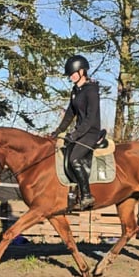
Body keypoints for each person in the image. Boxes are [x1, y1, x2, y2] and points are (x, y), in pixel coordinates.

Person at [49, 54, 101, 210]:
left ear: (82, 71)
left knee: (74, 158)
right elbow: (70, 114)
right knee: (63, 154)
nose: (71, 76)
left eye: (73, 73)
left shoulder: (91, 91)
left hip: (91, 132)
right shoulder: (76, 91)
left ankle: (86, 195)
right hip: (79, 131)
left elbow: (90, 119)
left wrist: (76, 135)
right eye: (70, 74)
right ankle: (72, 193)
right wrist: (58, 131)